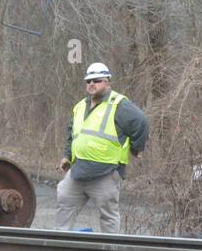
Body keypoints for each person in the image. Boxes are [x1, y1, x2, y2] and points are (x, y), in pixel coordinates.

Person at [57, 62, 149, 233]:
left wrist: (136, 149)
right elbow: (72, 134)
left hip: (105, 174)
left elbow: (141, 122)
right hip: (77, 172)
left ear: (107, 82)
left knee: (109, 218)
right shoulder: (80, 106)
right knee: (64, 208)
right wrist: (67, 156)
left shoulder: (119, 105)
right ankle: (59, 250)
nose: (91, 84)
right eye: (88, 81)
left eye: (97, 80)